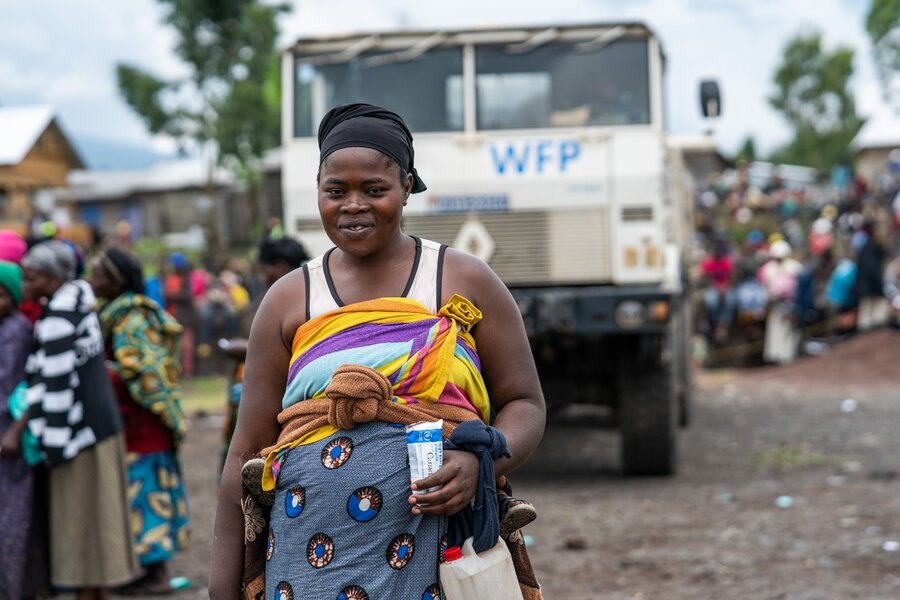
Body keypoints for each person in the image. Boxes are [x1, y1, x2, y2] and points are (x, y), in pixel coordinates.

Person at [210, 104, 546, 599]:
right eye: (335, 191)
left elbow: (526, 404)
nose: (353, 206)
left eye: (374, 189)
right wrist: (223, 585)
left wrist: (482, 464)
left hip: (440, 553)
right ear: (318, 191)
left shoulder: (462, 280)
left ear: (407, 186)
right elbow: (245, 450)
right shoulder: (289, 299)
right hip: (306, 561)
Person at [20, 241, 137, 600]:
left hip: (77, 433)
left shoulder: (58, 317)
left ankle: (88, 591)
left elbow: (54, 385)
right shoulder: (78, 302)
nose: (26, 284)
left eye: (33, 277)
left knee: (82, 517)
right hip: (102, 424)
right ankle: (97, 590)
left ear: (54, 278)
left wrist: (52, 444)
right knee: (100, 513)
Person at [88, 247, 191, 594]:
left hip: (144, 425)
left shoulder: (133, 317)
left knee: (148, 495)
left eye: (99, 274)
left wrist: (102, 372)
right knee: (135, 495)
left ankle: (157, 574)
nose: (92, 280)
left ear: (116, 281)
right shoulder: (112, 314)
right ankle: (143, 571)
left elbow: (147, 371)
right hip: (127, 423)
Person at [218, 236, 309, 474]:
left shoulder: (305, 302)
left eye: (265, 268)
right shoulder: (269, 299)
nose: (263, 275)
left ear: (280, 266)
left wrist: (246, 350)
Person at [0, 260, 49, 600]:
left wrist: (15, 430)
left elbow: (25, 387)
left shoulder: (17, 330)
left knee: (13, 521)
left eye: (2, 295)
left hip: (9, 437)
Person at [759, 240, 802, 364]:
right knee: (775, 329)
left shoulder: (795, 267)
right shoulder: (768, 269)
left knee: (789, 330)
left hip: (791, 304)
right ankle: (775, 357)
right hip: (774, 304)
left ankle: (789, 356)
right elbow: (765, 288)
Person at [164, 253, 199, 377]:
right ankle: (175, 370)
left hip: (185, 316)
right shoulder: (171, 278)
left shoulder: (187, 277)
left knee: (187, 345)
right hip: (172, 315)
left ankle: (187, 371)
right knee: (173, 344)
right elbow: (165, 294)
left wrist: (173, 295)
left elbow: (187, 294)